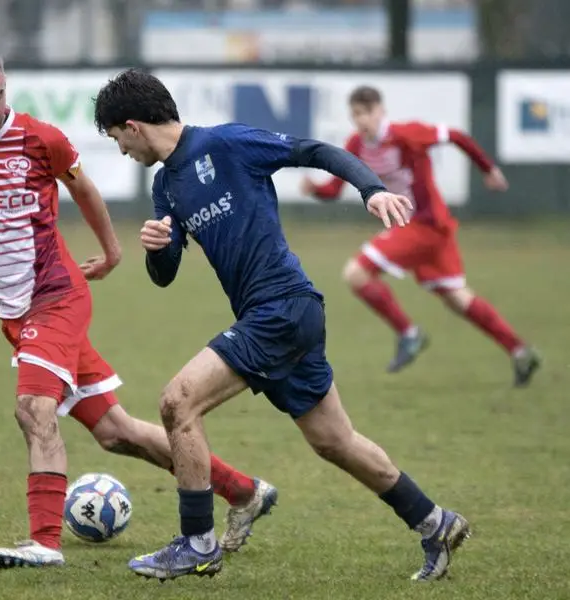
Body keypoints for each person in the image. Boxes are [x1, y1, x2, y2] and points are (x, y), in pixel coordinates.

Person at [0, 44, 277, 570]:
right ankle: (244, 491)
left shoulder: (40, 138)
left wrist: (111, 253)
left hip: (57, 297)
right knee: (116, 433)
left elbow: (83, 188)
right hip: (13, 312)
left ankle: (44, 541)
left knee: (33, 410)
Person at [93, 68, 471, 583]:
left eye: (117, 139)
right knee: (334, 441)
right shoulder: (165, 186)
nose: (120, 151)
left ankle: (197, 544)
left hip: (284, 307)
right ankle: (436, 522)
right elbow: (165, 277)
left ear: (133, 125)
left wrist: (371, 189)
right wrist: (159, 250)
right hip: (275, 317)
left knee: (177, 402)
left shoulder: (227, 143)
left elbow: (314, 151)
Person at [301, 85, 540, 385]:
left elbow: (457, 136)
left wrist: (488, 169)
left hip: (425, 224)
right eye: (355, 115)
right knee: (457, 299)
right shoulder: (356, 144)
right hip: (422, 229)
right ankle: (520, 352)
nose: (361, 121)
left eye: (366, 113)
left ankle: (409, 333)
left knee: (356, 274)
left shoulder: (407, 134)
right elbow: (334, 190)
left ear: (380, 111)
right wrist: (314, 189)